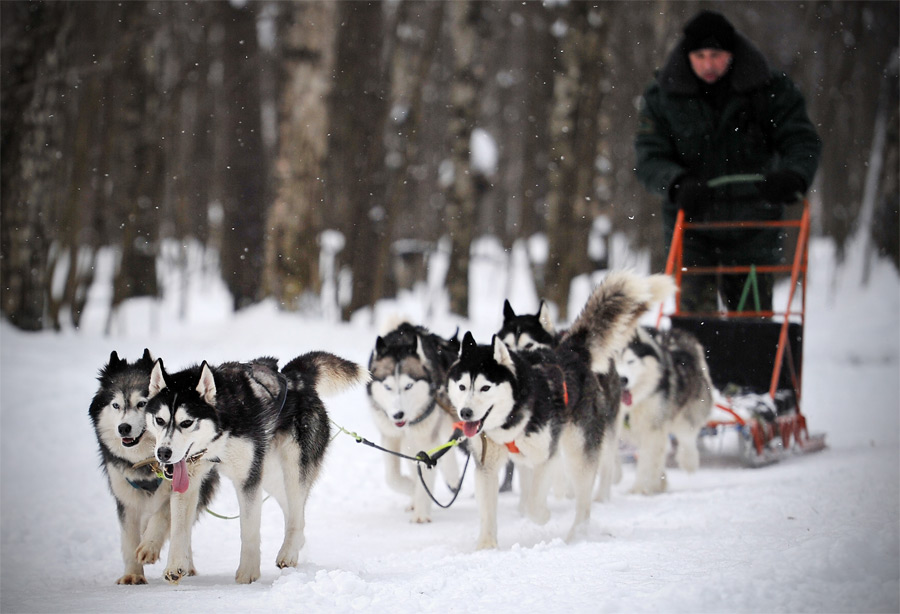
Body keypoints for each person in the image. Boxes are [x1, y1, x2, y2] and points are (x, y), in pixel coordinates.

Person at [634, 10, 821, 314]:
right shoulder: (661, 97)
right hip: (692, 228)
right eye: (700, 55)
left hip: (755, 227)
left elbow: (801, 139)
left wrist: (794, 175)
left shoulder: (769, 88)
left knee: (751, 331)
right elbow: (648, 158)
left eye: (717, 55)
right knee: (694, 331)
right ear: (687, 55)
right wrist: (676, 182)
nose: (709, 64)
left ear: (732, 53)